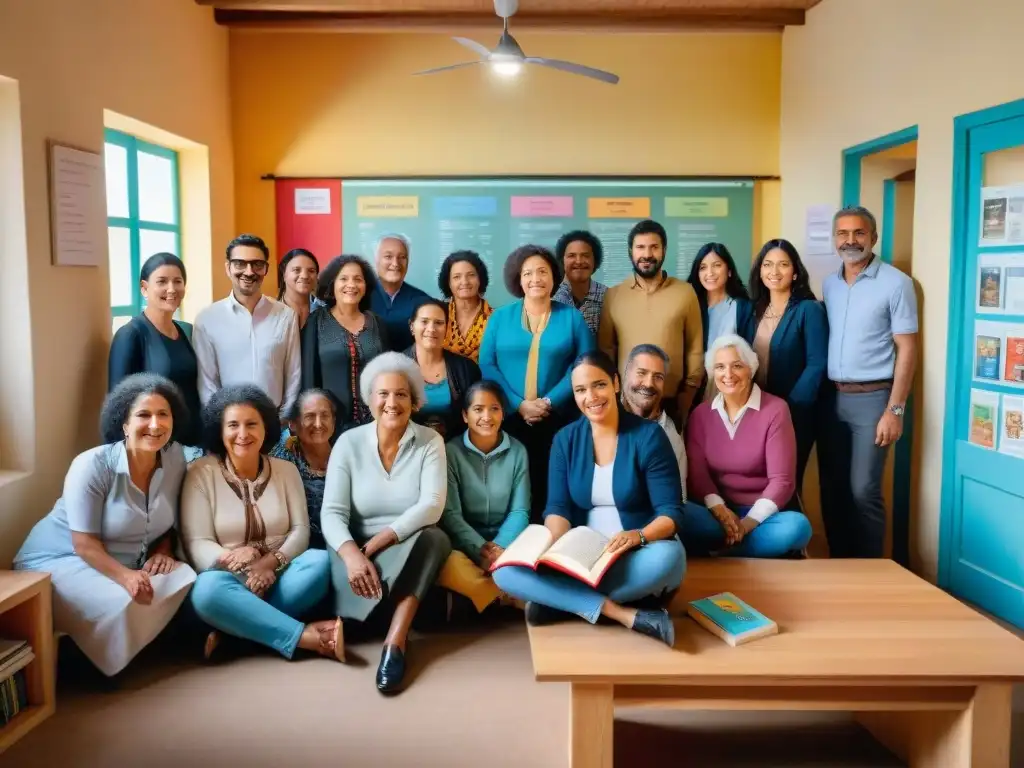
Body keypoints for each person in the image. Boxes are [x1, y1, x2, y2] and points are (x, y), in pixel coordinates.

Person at [492, 351, 685, 647]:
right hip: (582, 556)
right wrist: (548, 547)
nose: (591, 397)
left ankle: (562, 600)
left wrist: (638, 536)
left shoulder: (648, 436)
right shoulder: (565, 439)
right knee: (505, 573)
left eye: (599, 385)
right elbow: (557, 507)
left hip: (633, 553)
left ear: (616, 384)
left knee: (670, 558)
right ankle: (623, 614)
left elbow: (671, 513)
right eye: (581, 390)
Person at [13, 374, 197, 677]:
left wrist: (164, 550)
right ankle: (92, 660)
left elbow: (166, 522)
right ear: (124, 424)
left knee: (184, 575)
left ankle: (115, 644)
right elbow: (83, 544)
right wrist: (126, 577)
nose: (155, 424)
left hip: (123, 562)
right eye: (143, 415)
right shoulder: (92, 464)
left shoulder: (176, 458)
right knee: (125, 599)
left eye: (163, 414)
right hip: (60, 560)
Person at [320, 352, 452, 694]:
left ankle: (395, 642)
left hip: (404, 543)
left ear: (414, 401)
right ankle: (375, 612)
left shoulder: (430, 442)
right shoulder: (348, 443)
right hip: (355, 547)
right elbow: (332, 512)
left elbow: (432, 506)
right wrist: (352, 555)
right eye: (384, 394)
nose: (392, 402)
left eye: (402, 394)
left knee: (435, 539)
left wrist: (386, 538)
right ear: (369, 399)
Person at [181, 385, 340, 663]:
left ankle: (235, 633)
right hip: (229, 579)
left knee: (320, 563)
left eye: (251, 424)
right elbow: (196, 543)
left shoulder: (285, 470)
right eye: (233, 425)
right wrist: (233, 559)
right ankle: (305, 639)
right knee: (206, 591)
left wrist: (270, 563)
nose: (243, 434)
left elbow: (300, 530)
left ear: (266, 428)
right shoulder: (199, 473)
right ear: (219, 430)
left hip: (280, 573)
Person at [818, 205, 918, 558]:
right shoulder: (829, 284)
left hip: (874, 399)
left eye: (859, 233)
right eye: (843, 234)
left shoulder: (896, 283)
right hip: (832, 400)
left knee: (863, 490)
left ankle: (873, 569)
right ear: (835, 239)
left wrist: (896, 409)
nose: (850, 240)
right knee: (832, 489)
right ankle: (839, 562)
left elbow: (907, 349)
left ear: (873, 238)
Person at [479, 244, 595, 520]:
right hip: (509, 417)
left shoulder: (571, 318)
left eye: (542, 271)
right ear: (518, 279)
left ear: (554, 277)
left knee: (553, 485)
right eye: (528, 273)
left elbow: (584, 364)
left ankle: (554, 540)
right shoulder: (500, 317)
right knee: (514, 486)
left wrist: (548, 401)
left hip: (559, 416)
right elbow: (487, 364)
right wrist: (519, 404)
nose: (535, 279)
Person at [682, 335, 812, 558]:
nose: (728, 374)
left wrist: (748, 524)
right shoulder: (700, 415)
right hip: (718, 515)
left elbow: (782, 481)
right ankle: (739, 545)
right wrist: (721, 511)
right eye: (720, 367)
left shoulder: (776, 410)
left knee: (798, 527)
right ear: (713, 373)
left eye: (737, 366)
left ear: (750, 369)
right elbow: (697, 475)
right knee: (679, 513)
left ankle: (721, 551)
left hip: (764, 517)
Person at [598, 219, 703, 429]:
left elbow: (695, 346)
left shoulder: (685, 292)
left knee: (672, 461)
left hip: (671, 402)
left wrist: (687, 396)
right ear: (631, 251)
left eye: (654, 247)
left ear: (664, 250)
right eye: (640, 247)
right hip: (626, 403)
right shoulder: (614, 295)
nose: (647, 254)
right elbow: (606, 349)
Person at [437, 380, 530, 614]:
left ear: (503, 413)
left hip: (507, 544)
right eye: (478, 409)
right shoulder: (450, 452)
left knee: (538, 549)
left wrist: (499, 547)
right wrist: (480, 549)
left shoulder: (518, 451)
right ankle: (505, 595)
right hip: (466, 545)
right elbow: (450, 514)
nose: (487, 416)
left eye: (494, 408)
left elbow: (520, 511)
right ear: (465, 415)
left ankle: (483, 597)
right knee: (447, 563)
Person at [747, 239, 828, 502]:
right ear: (760, 271)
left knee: (786, 483)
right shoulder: (754, 310)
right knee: (760, 483)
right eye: (768, 264)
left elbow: (817, 364)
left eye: (783, 264)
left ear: (795, 272)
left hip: (794, 414)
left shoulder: (809, 309)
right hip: (757, 412)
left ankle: (794, 542)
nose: (774, 271)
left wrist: (787, 409)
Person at [192, 234, 301, 419]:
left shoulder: (285, 316)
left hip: (275, 422)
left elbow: (293, 374)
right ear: (228, 268)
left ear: (266, 268)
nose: (249, 272)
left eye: (257, 264)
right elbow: (206, 383)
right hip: (228, 423)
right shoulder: (207, 319)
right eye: (240, 264)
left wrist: (282, 420)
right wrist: (222, 423)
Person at [108, 253, 202, 446]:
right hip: (154, 447)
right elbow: (117, 408)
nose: (171, 289)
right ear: (144, 288)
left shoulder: (185, 330)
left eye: (178, 281)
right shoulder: (130, 335)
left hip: (192, 445)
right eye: (162, 281)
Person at [302, 254, 389, 434]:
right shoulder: (316, 321)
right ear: (332, 284)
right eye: (344, 279)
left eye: (358, 279)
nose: (351, 285)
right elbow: (309, 378)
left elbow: (388, 374)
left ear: (366, 286)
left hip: (375, 425)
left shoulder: (377, 323)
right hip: (329, 426)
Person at [271, 388, 340, 550]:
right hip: (300, 550)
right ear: (293, 424)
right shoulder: (282, 461)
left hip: (345, 542)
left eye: (325, 416)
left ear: (333, 421)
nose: (318, 424)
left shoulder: (347, 453)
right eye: (309, 416)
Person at [402, 299, 481, 441]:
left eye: (438, 323)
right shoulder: (395, 367)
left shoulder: (467, 369)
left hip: (455, 448)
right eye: (424, 321)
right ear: (412, 326)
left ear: (447, 328)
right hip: (408, 448)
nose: (431, 328)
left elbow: (475, 416)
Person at [686, 243, 755, 404]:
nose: (709, 273)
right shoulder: (690, 305)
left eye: (717, 265)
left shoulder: (742, 307)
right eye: (703, 267)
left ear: (729, 271)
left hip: (731, 388)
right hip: (693, 391)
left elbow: (749, 353)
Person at [620, 344, 687, 499]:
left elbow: (678, 501)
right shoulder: (603, 420)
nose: (649, 383)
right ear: (625, 374)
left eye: (658, 377)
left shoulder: (671, 436)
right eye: (641, 373)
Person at [368, 233, 431, 352]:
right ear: (376, 260)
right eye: (388, 256)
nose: (395, 263)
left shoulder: (423, 301)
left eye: (402, 257)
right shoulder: (361, 297)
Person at [438, 250, 494, 363]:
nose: (464, 282)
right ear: (448, 283)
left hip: (486, 379)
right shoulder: (439, 314)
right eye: (457, 277)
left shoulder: (496, 318)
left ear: (480, 279)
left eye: (471, 275)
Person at [552, 230, 607, 336]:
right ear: (562, 260)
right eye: (572, 255)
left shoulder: (608, 297)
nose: (579, 261)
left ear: (595, 260)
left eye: (586, 255)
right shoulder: (550, 296)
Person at [277, 247, 324, 329]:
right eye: (296, 270)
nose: (305, 276)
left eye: (311, 271)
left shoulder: (326, 313)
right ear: (284, 274)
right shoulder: (270, 313)